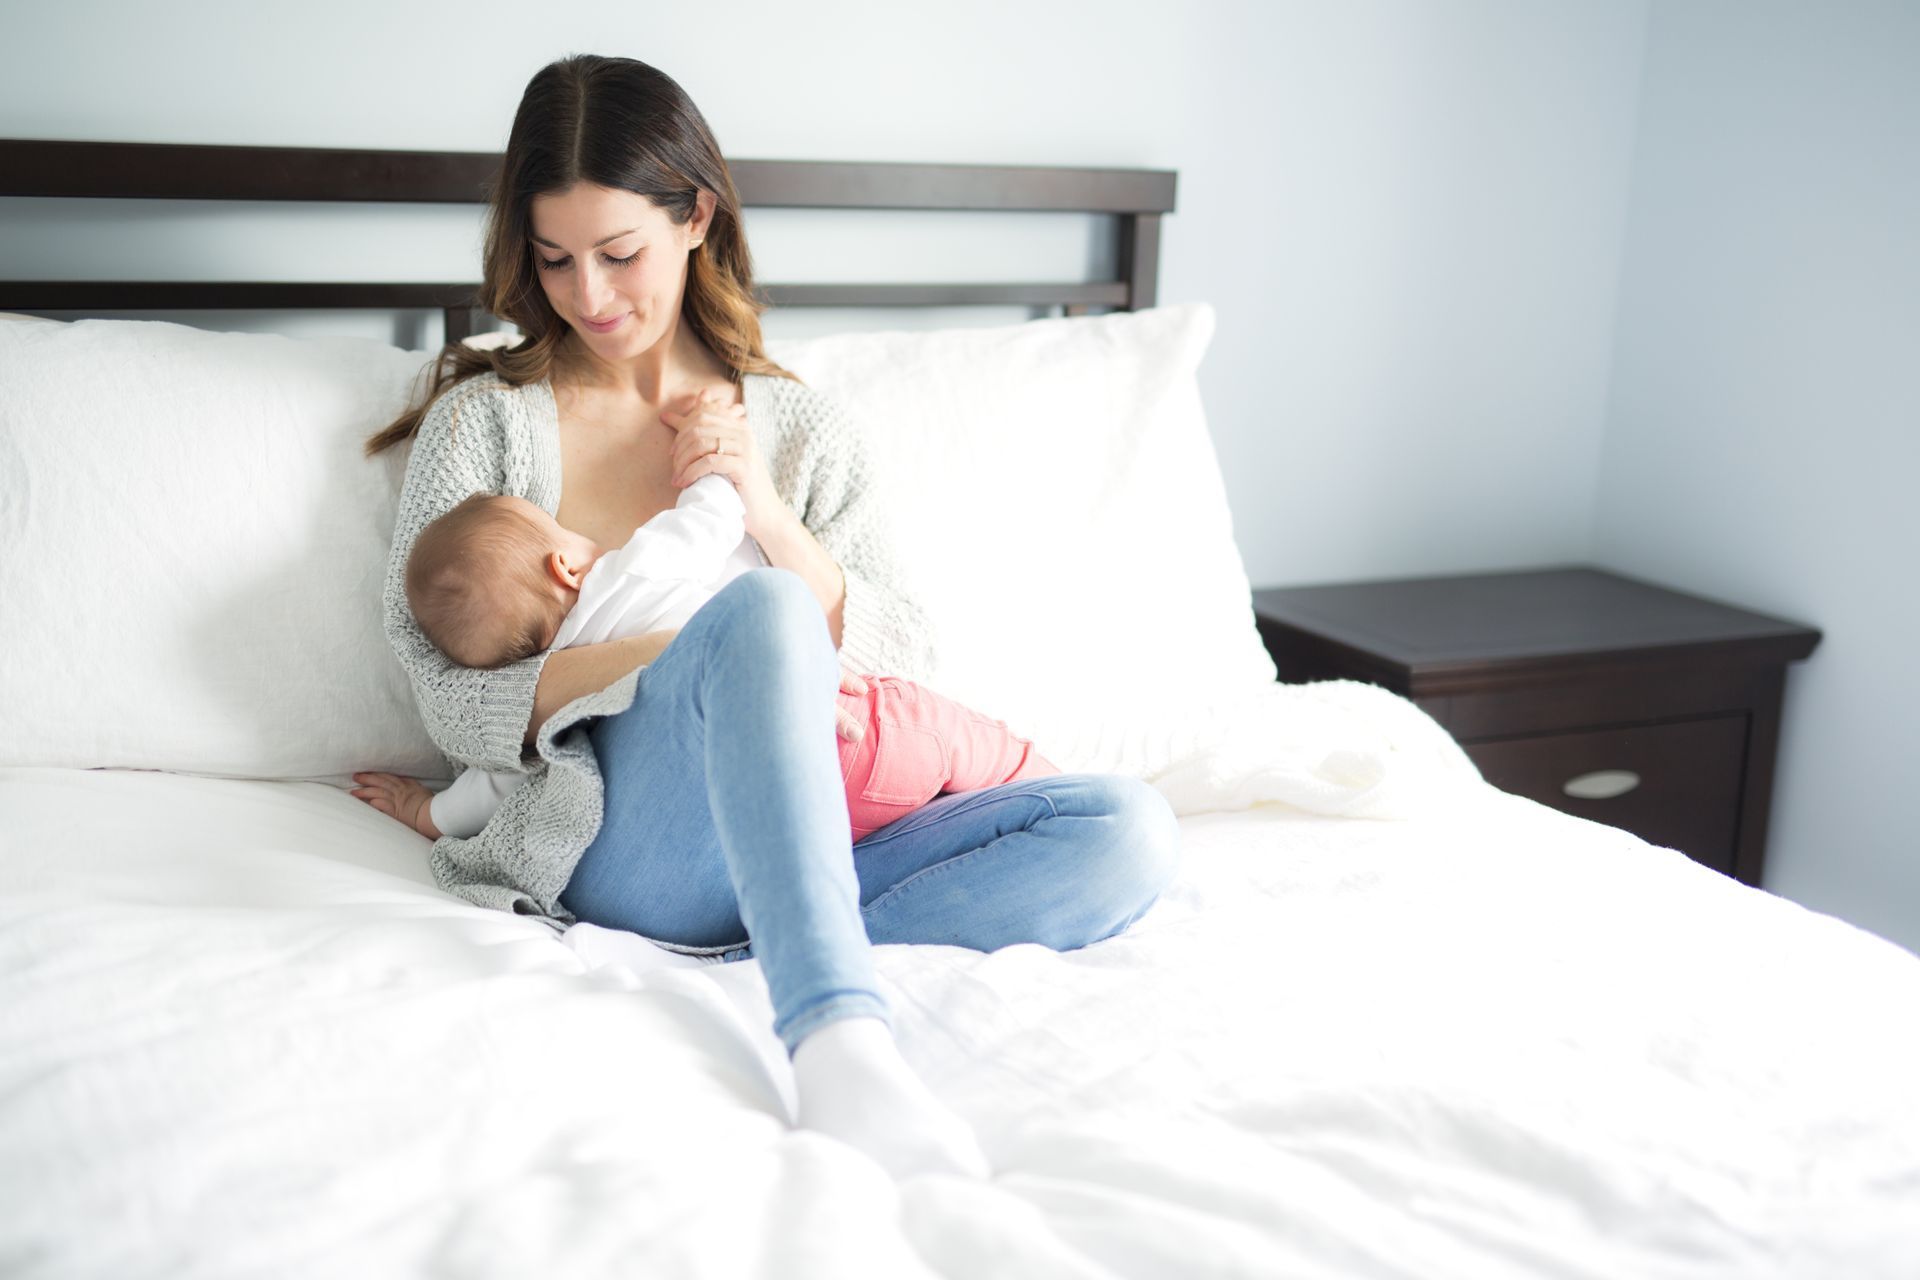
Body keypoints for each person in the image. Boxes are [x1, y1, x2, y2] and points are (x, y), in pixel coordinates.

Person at [352, 53, 1179, 1182]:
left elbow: (906, 653)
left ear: (696, 215)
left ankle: (775, 928)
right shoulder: (483, 427)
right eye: (554, 260)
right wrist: (672, 658)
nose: (588, 296)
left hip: (823, 826)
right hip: (625, 841)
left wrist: (767, 513)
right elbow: (443, 689)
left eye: (618, 253)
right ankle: (839, 1039)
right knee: (764, 619)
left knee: (1126, 828)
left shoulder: (802, 429)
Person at [361, 477, 1057, 842]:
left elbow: (491, 791)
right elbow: (711, 516)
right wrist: (722, 474)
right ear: (566, 565)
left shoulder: (556, 721)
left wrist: (427, 813)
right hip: (862, 732)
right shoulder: (630, 571)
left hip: (790, 809)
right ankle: (1057, 785)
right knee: (988, 751)